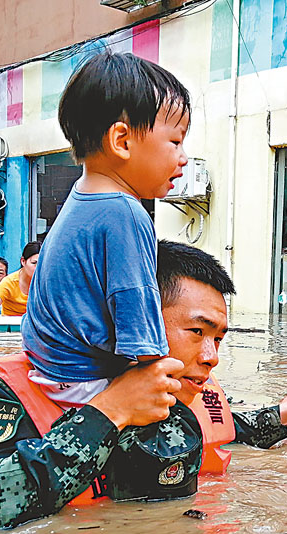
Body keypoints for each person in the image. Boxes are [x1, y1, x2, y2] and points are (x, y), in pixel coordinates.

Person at [0, 242, 287, 534]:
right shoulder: (16, 389)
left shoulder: (183, 387)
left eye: (219, 338)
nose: (212, 356)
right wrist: (109, 413)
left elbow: (222, 427)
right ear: (133, 318)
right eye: (197, 332)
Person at [20, 51, 190, 408]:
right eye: (175, 141)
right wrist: (171, 375)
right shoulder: (125, 212)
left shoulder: (81, 198)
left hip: (49, 371)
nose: (183, 156)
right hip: (85, 383)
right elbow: (137, 313)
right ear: (122, 141)